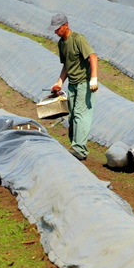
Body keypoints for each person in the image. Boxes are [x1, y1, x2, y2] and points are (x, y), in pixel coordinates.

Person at [49, 12, 98, 161]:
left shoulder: (78, 39)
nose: (56, 31)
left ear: (66, 25)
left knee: (80, 115)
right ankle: (75, 146)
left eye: (58, 28)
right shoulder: (62, 43)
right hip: (73, 84)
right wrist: (59, 82)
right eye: (54, 29)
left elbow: (93, 56)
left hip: (85, 83)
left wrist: (94, 78)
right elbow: (66, 65)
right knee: (72, 117)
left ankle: (80, 150)